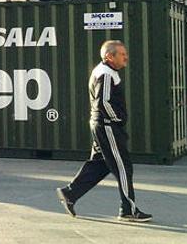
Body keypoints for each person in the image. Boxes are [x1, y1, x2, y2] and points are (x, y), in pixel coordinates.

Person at [56, 40, 152, 223]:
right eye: (122, 54)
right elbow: (104, 102)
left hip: (102, 124)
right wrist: (117, 119)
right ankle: (128, 210)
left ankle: (70, 193)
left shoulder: (106, 71)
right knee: (123, 167)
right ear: (109, 56)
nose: (126, 57)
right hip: (107, 126)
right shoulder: (106, 74)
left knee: (100, 164)